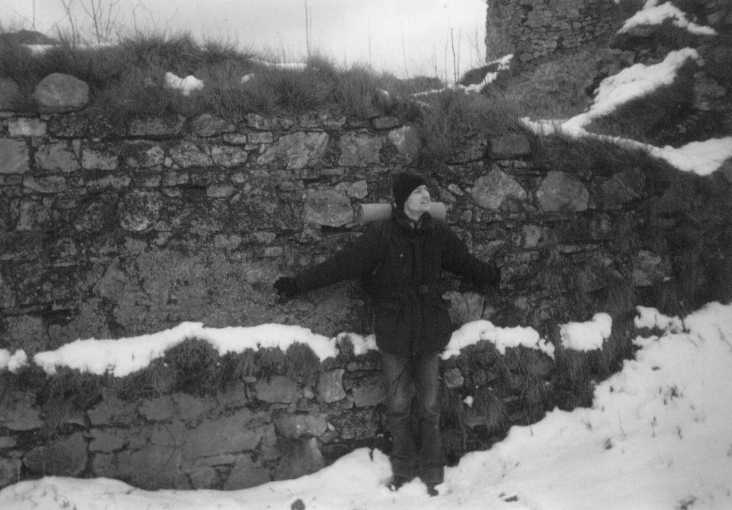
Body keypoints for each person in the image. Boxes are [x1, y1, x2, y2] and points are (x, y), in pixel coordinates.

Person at [274, 172, 500, 496]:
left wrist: (492, 275)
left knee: (430, 406)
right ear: (403, 199)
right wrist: (298, 284)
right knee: (398, 405)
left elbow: (464, 263)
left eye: (427, 191)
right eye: (419, 191)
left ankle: (433, 472)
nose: (426, 196)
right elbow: (342, 265)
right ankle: (404, 469)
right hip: (394, 329)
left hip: (429, 329)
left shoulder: (438, 234)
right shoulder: (380, 235)